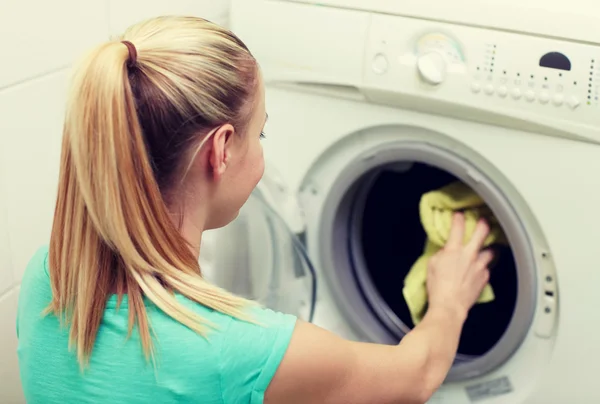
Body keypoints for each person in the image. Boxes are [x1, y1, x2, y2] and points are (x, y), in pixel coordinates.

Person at [16, 15, 494, 404]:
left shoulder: (47, 276)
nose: (261, 153)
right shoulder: (239, 350)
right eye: (258, 133)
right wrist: (450, 297)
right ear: (221, 150)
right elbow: (416, 376)